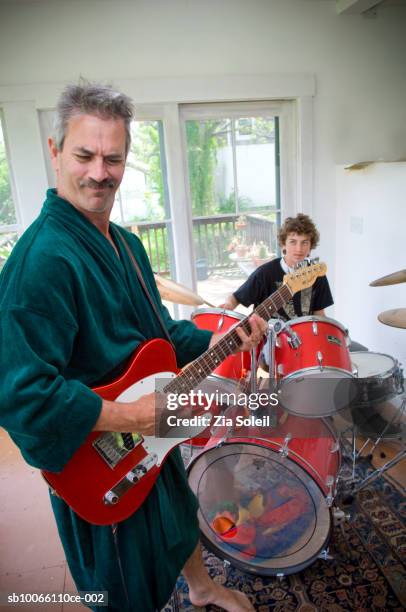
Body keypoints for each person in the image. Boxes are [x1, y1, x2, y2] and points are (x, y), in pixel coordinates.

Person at [0, 82, 266, 612]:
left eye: (113, 158)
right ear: (55, 153)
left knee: (177, 509)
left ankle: (202, 587)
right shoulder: (41, 264)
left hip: (150, 426)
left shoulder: (127, 244)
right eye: (84, 155)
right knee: (122, 582)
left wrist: (217, 338)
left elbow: (157, 336)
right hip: (97, 458)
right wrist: (129, 415)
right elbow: (22, 396)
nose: (99, 172)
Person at [222, 214, 333, 368]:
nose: (299, 249)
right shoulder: (265, 273)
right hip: (271, 343)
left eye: (304, 243)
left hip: (304, 342)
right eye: (293, 242)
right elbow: (235, 298)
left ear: (311, 246)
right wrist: (227, 305)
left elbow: (319, 314)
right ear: (283, 245)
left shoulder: (316, 275)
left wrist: (327, 339)